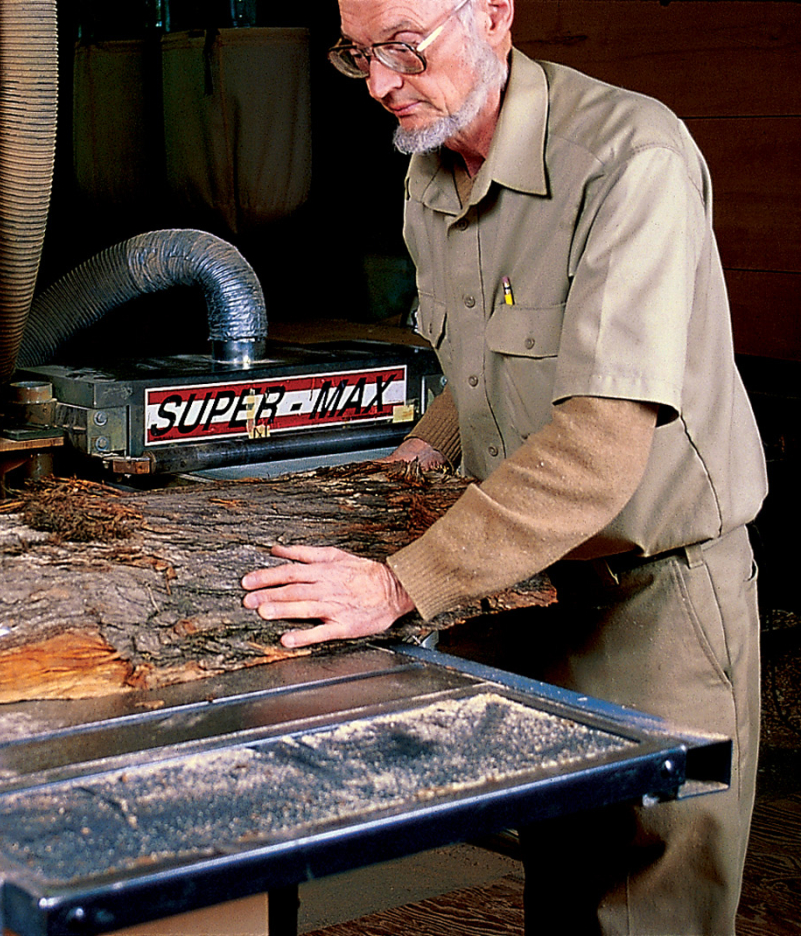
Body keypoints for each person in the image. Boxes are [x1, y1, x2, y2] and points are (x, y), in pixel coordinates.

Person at [240, 1, 768, 933]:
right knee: (561, 891)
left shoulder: (628, 158)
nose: (380, 84)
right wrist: (424, 449)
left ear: (492, 14)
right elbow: (483, 363)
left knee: (648, 907)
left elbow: (599, 443)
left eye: (405, 48)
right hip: (529, 589)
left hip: (655, 599)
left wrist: (400, 584)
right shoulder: (430, 170)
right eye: (358, 54)